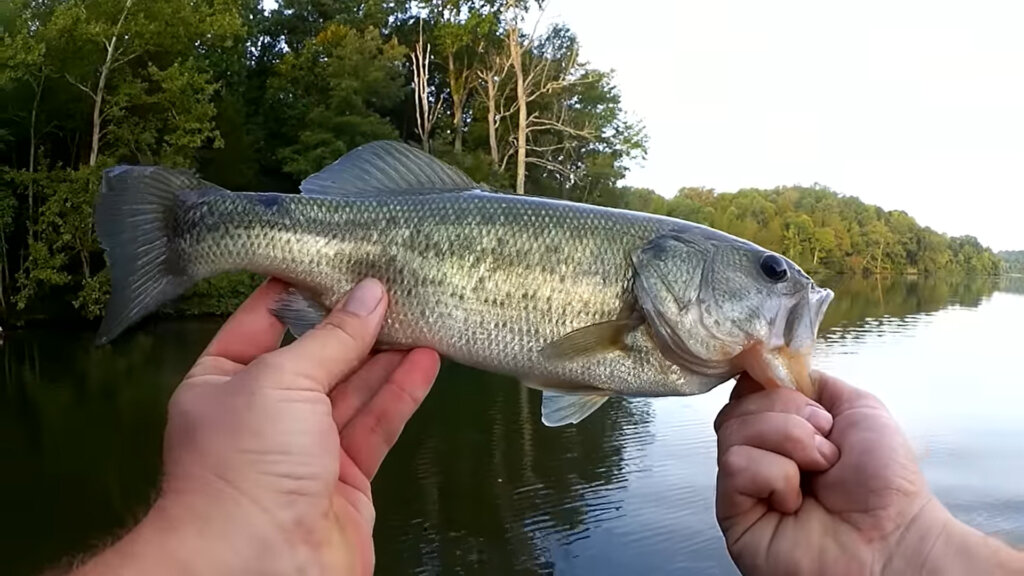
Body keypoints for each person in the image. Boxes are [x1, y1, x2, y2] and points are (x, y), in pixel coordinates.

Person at [68, 278, 1023, 576]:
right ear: (675, 272)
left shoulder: (664, 344)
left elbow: (580, 379)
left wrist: (900, 551)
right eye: (768, 275)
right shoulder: (645, 324)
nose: (791, 294)